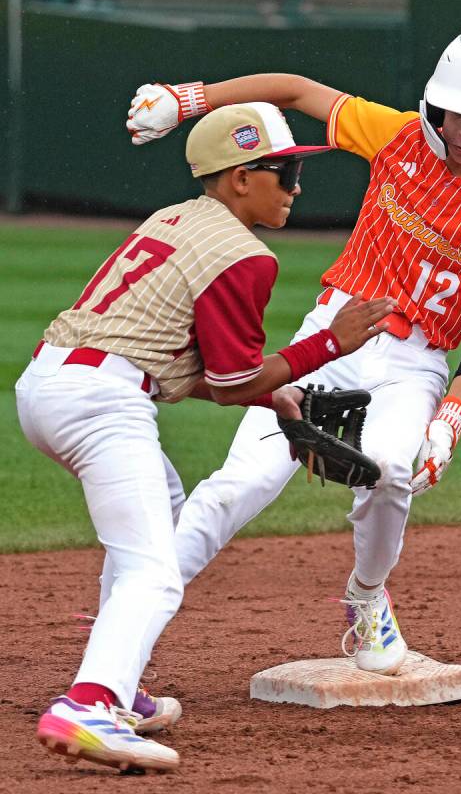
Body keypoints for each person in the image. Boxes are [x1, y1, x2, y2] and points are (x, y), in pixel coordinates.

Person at [126, 28, 461, 682]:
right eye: (455, 111)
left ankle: (366, 598)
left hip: (415, 363)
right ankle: (130, 615)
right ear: (436, 105)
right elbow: (293, 90)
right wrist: (187, 100)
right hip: (334, 333)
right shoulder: (397, 134)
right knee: (245, 481)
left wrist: (451, 417)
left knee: (391, 471)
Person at [16, 102, 394, 773]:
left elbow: (180, 363)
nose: (295, 187)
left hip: (50, 383)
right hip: (101, 404)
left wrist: (273, 389)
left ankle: (118, 683)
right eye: (283, 172)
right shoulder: (243, 255)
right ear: (240, 177)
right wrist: (329, 343)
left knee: (161, 508)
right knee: (156, 571)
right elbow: (228, 382)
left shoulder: (173, 218)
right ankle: (90, 704)